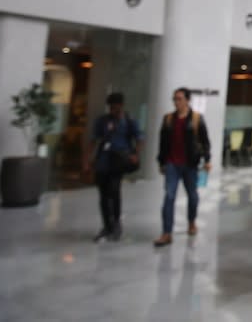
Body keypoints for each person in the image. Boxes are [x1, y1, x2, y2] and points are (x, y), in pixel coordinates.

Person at [154, 87, 211, 247]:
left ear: (187, 100)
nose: (176, 102)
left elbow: (205, 141)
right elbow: (162, 143)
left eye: (179, 99)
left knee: (193, 196)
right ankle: (166, 233)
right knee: (169, 197)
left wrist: (207, 160)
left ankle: (191, 221)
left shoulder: (197, 119)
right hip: (172, 164)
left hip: (190, 164)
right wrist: (161, 162)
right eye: (174, 99)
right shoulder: (168, 119)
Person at [85, 92, 143, 242]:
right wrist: (87, 160)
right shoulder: (102, 121)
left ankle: (116, 224)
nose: (113, 111)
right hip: (103, 161)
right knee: (103, 195)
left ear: (122, 106)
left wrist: (135, 154)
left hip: (118, 162)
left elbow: (139, 139)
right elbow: (93, 140)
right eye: (111, 108)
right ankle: (106, 226)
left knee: (114, 191)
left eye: (116, 108)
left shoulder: (129, 121)